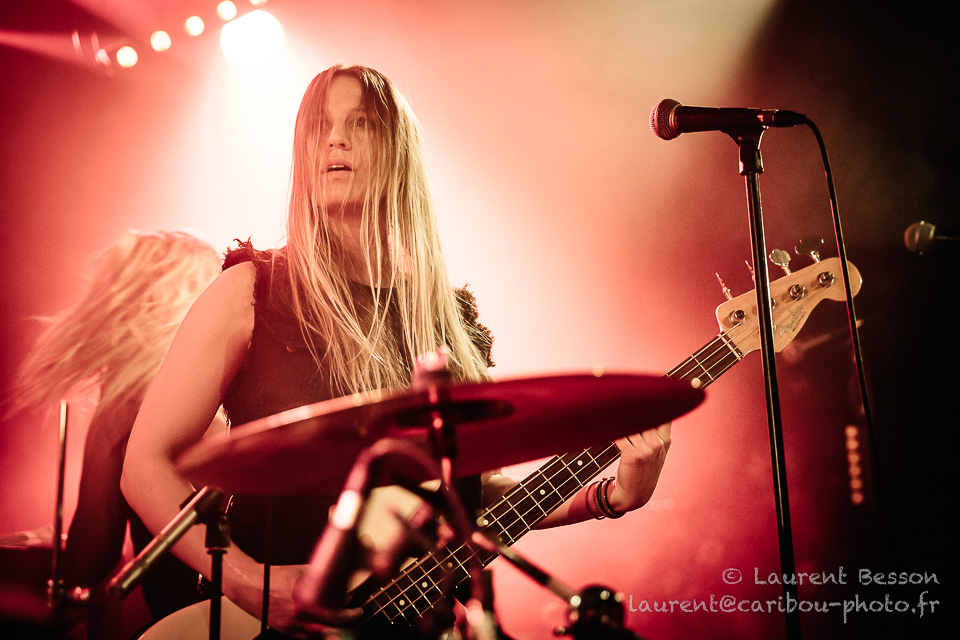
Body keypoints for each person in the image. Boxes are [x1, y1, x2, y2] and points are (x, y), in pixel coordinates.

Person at [121, 65, 672, 637]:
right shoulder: (252, 290)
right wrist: (246, 582)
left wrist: (608, 495)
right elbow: (144, 464)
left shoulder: (450, 320)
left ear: (398, 152)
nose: (336, 139)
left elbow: (470, 496)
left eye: (359, 122)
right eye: (320, 126)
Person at [3, 230, 223, 635]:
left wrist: (38, 553)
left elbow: (92, 558)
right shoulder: (228, 385)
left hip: (189, 622)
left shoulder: (129, 394)